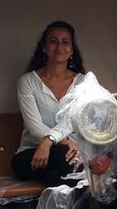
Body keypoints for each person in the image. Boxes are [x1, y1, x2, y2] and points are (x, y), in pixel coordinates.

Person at [12, 20, 86, 185]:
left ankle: (52, 197)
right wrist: (56, 141)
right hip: (33, 153)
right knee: (67, 158)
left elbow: (74, 120)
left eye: (65, 42)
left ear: (72, 49)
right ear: (44, 47)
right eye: (53, 41)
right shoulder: (27, 81)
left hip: (72, 153)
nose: (59, 46)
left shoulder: (83, 83)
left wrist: (51, 141)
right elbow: (34, 126)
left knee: (63, 167)